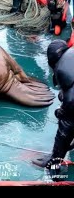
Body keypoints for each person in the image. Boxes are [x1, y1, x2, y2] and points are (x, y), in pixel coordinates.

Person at [32, 40, 74, 169]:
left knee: (66, 122)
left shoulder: (61, 67)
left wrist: (63, 112)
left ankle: (54, 161)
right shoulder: (71, 53)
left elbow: (72, 102)